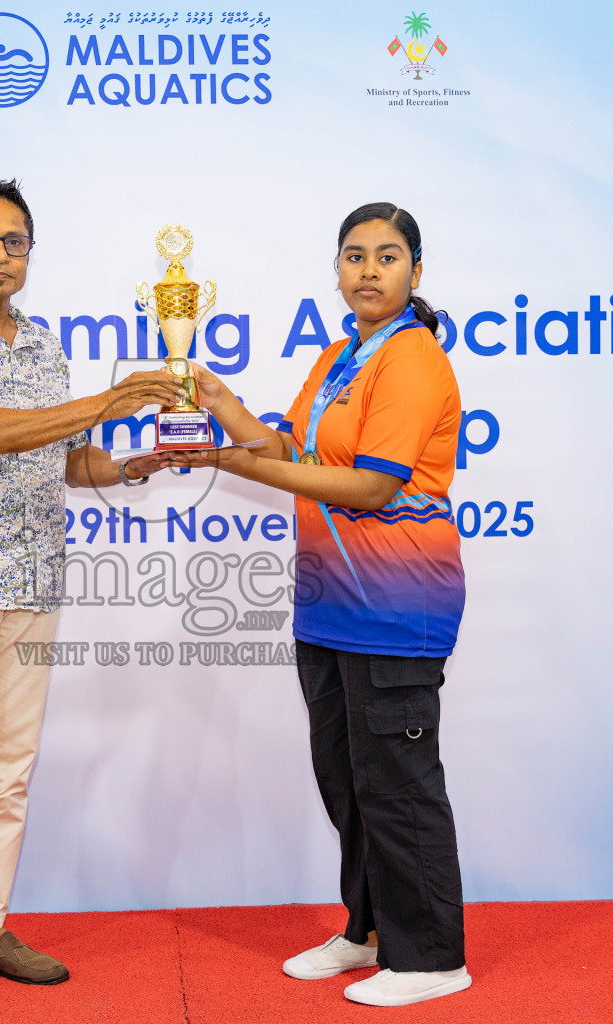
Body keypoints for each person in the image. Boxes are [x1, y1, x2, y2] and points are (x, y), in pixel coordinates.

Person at [0, 178, 180, 1012]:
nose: (1, 256)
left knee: (8, 772)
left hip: (35, 585)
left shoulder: (45, 349)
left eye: (16, 242)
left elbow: (64, 460)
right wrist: (109, 401)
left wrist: (126, 465)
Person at [170, 202, 469, 1008]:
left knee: (399, 783)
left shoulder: (411, 358)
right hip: (330, 605)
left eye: (388, 255)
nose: (369, 269)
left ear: (415, 271)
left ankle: (433, 955)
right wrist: (214, 398)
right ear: (335, 271)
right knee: (348, 778)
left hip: (396, 603)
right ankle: (369, 931)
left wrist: (232, 460)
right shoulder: (343, 354)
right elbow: (288, 448)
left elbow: (372, 485)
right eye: (354, 255)